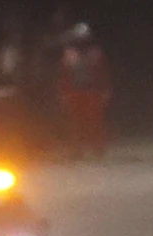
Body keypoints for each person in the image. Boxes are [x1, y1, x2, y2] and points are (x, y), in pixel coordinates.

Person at [56, 25, 112, 160]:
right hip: (74, 92)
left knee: (95, 122)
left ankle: (98, 149)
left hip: (92, 91)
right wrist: (63, 92)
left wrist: (105, 90)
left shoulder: (96, 53)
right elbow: (63, 74)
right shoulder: (69, 55)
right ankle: (76, 151)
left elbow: (103, 73)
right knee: (75, 123)